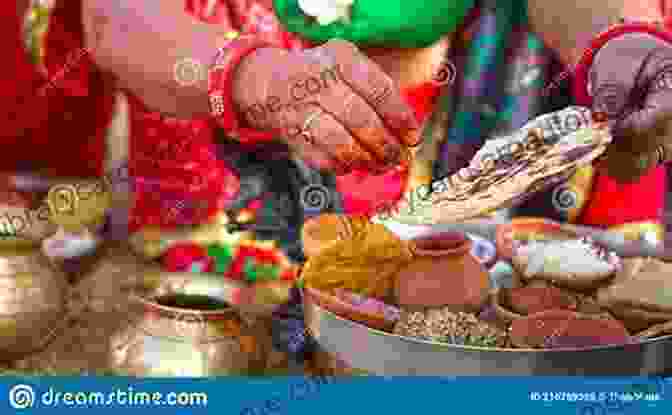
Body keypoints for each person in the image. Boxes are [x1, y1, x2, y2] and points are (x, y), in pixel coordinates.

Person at [4, 0, 672, 369]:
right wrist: (252, 78)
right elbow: (119, 15)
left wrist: (616, 44)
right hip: (227, 187)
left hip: (482, 115)